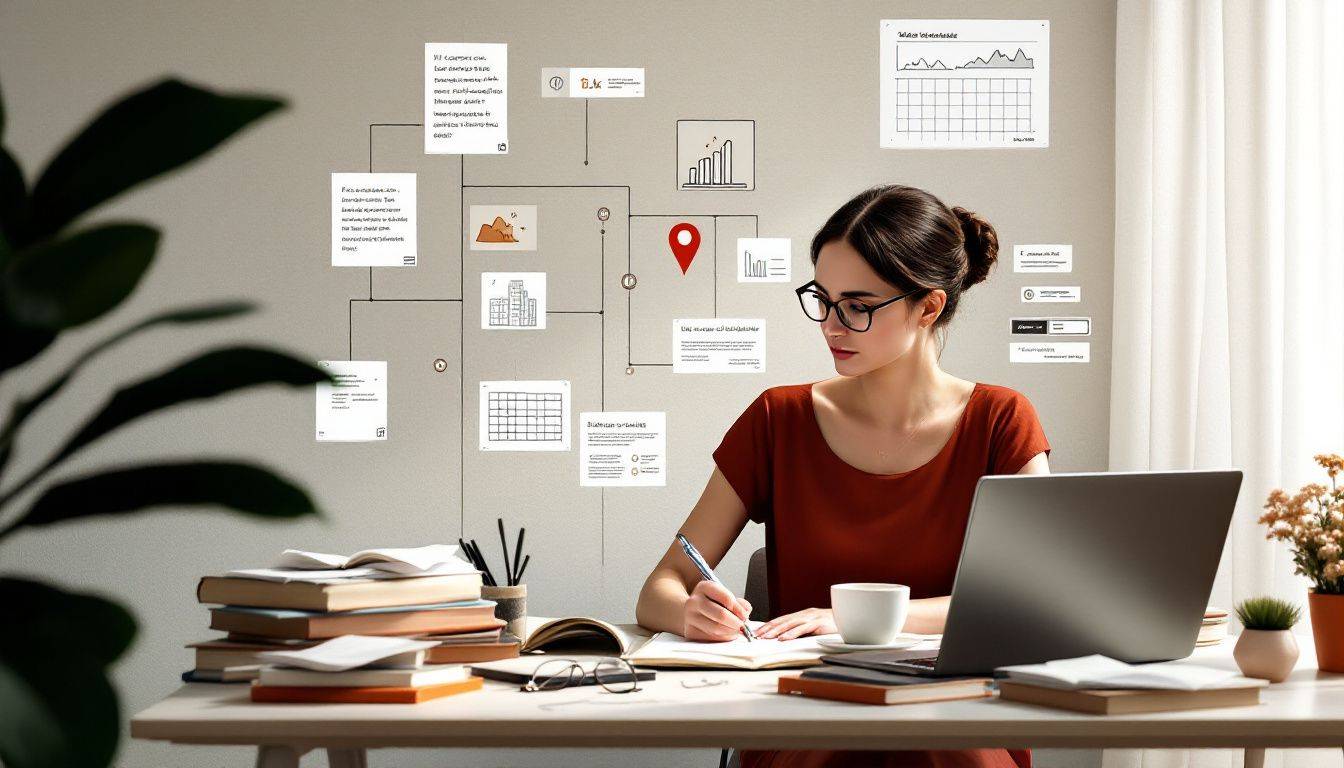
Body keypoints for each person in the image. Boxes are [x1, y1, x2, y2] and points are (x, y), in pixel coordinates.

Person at [635, 184, 1051, 768]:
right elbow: (662, 584)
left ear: (928, 307)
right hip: (809, 720)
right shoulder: (778, 419)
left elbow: (1028, 605)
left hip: (956, 716)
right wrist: (688, 611)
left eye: (858, 305)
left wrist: (849, 623)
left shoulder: (1002, 421)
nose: (831, 324)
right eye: (821, 299)